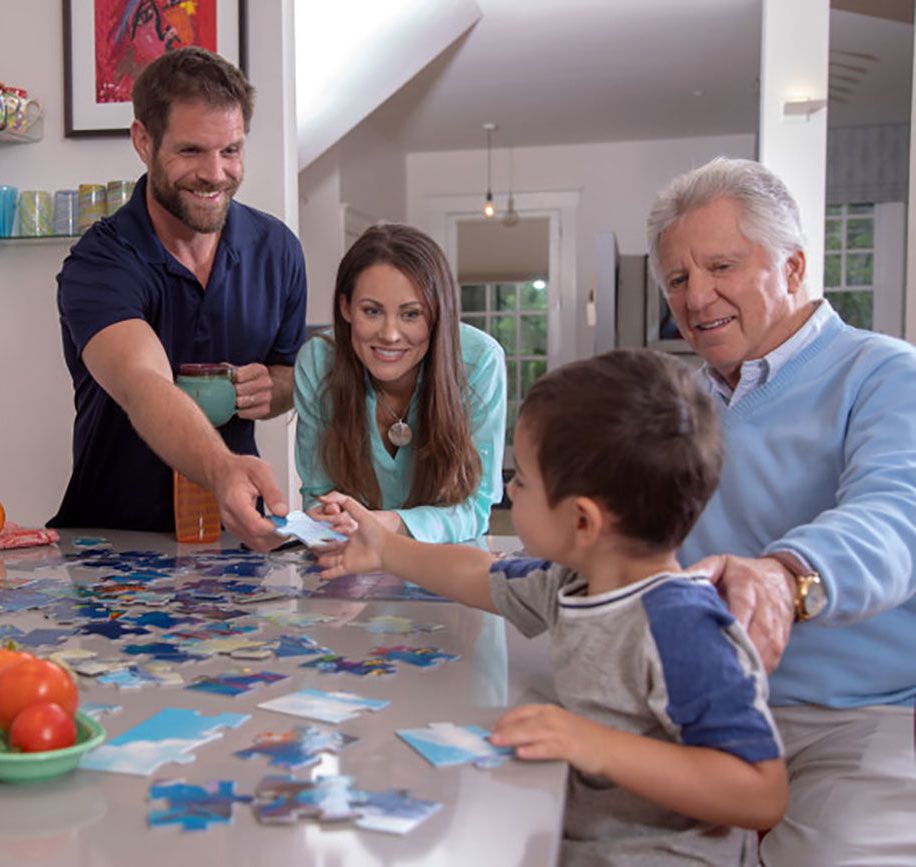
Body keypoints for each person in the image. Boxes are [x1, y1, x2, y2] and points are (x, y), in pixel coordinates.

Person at [317, 348, 788, 864]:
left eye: (521, 480)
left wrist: (596, 745)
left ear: (582, 522)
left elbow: (761, 792)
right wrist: (385, 549)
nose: (510, 491)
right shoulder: (572, 582)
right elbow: (478, 573)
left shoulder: (682, 628)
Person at [647, 156, 916, 865]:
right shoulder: (678, 402)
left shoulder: (886, 372)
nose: (696, 297)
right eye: (676, 278)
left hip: (864, 714)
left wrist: (783, 575)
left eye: (721, 266)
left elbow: (897, 517)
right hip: (710, 708)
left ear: (792, 267)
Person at [48, 47, 306, 550]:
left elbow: (292, 373)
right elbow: (143, 383)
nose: (215, 173)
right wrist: (222, 467)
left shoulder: (279, 249)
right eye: (191, 151)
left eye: (230, 150)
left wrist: (273, 388)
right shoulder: (99, 263)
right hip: (111, 544)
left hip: (235, 538)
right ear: (143, 141)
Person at [294, 223, 506, 543]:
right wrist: (327, 519)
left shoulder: (480, 362)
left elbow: (475, 507)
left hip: (448, 566)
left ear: (437, 315)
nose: (390, 335)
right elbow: (320, 494)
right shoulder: (317, 363)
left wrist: (389, 523)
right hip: (353, 563)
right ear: (345, 307)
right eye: (372, 311)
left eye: (411, 315)